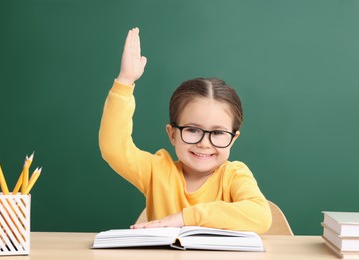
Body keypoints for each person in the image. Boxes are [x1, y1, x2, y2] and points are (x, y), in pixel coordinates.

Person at [99, 27, 272, 234]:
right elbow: (114, 149)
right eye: (192, 130)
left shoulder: (234, 175)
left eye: (217, 133)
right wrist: (125, 82)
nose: (204, 143)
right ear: (172, 134)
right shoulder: (157, 172)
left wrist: (185, 218)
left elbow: (261, 216)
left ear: (233, 139)